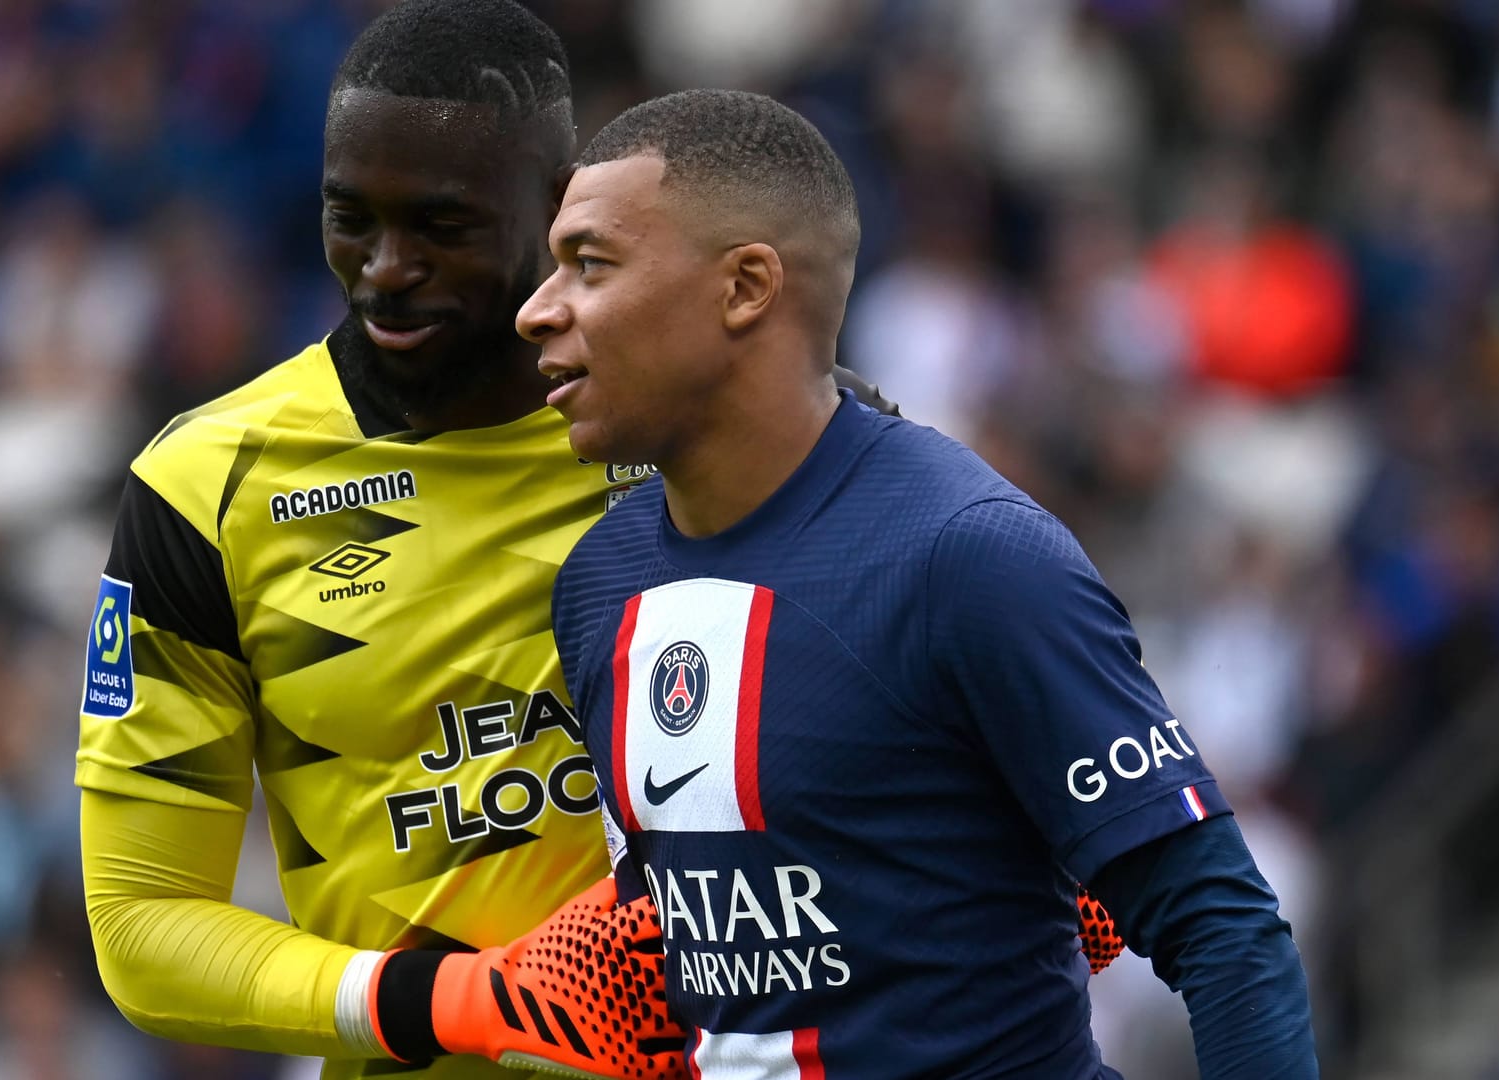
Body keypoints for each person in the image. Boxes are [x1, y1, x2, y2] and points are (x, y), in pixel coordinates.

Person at [528, 89, 1320, 1078]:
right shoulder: (599, 584)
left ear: (744, 289)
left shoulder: (970, 556)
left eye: (590, 265)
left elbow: (1223, 926)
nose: (537, 309)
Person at [74, 3, 690, 1077]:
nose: (385, 268)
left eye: (441, 225)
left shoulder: (707, 428)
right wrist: (455, 1002)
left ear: (557, 206)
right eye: (349, 216)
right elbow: (141, 927)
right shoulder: (205, 489)